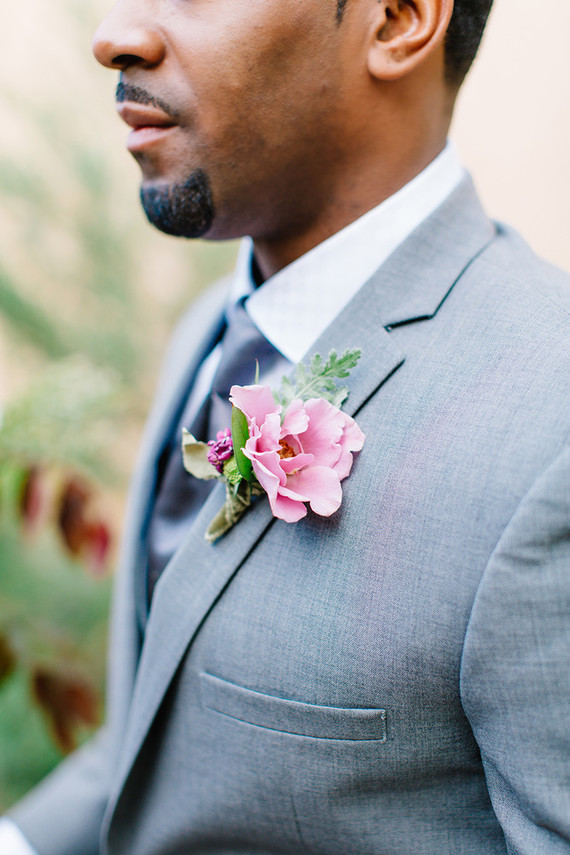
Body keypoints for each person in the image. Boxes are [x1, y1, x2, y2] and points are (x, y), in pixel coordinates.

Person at [2, 0, 569, 852]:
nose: (115, 33)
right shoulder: (214, 330)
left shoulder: (549, 431)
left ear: (397, 20)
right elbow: (155, 748)